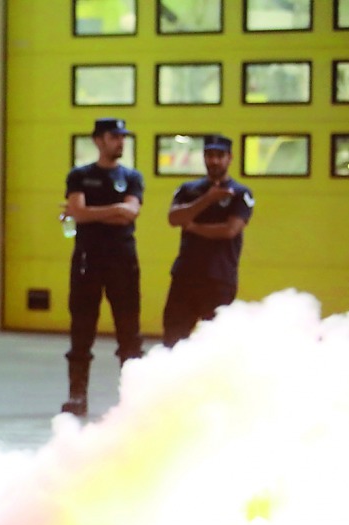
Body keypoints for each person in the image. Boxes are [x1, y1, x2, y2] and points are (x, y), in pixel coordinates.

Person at [60, 117, 145, 417]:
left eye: (122, 137)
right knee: (82, 329)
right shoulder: (80, 176)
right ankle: (77, 395)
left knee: (129, 332)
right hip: (88, 258)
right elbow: (78, 214)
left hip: (122, 259)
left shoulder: (132, 177)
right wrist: (114, 210)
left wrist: (91, 213)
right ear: (98, 140)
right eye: (113, 137)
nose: (120, 142)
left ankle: (133, 398)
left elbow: (130, 213)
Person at [162, 135, 255, 346]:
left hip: (219, 278)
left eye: (219, 156)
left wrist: (193, 226)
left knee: (216, 342)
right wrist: (207, 200)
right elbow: (174, 218)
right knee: (173, 339)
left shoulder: (240, 193)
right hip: (185, 276)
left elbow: (230, 230)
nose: (214, 161)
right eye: (209, 155)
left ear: (229, 158)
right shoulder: (188, 189)